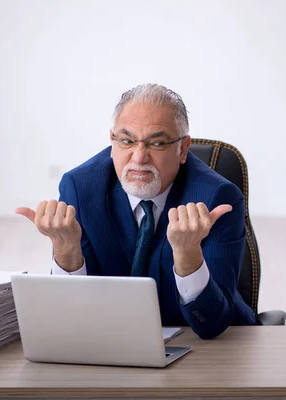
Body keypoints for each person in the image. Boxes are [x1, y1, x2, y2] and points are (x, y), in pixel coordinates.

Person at [16, 83, 258, 339]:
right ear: (112, 141)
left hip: (207, 345)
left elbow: (213, 324)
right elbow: (69, 316)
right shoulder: (81, 188)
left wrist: (188, 256)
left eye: (158, 143)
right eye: (127, 141)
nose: (139, 157)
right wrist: (65, 249)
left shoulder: (216, 198)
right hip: (111, 343)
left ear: (183, 149)